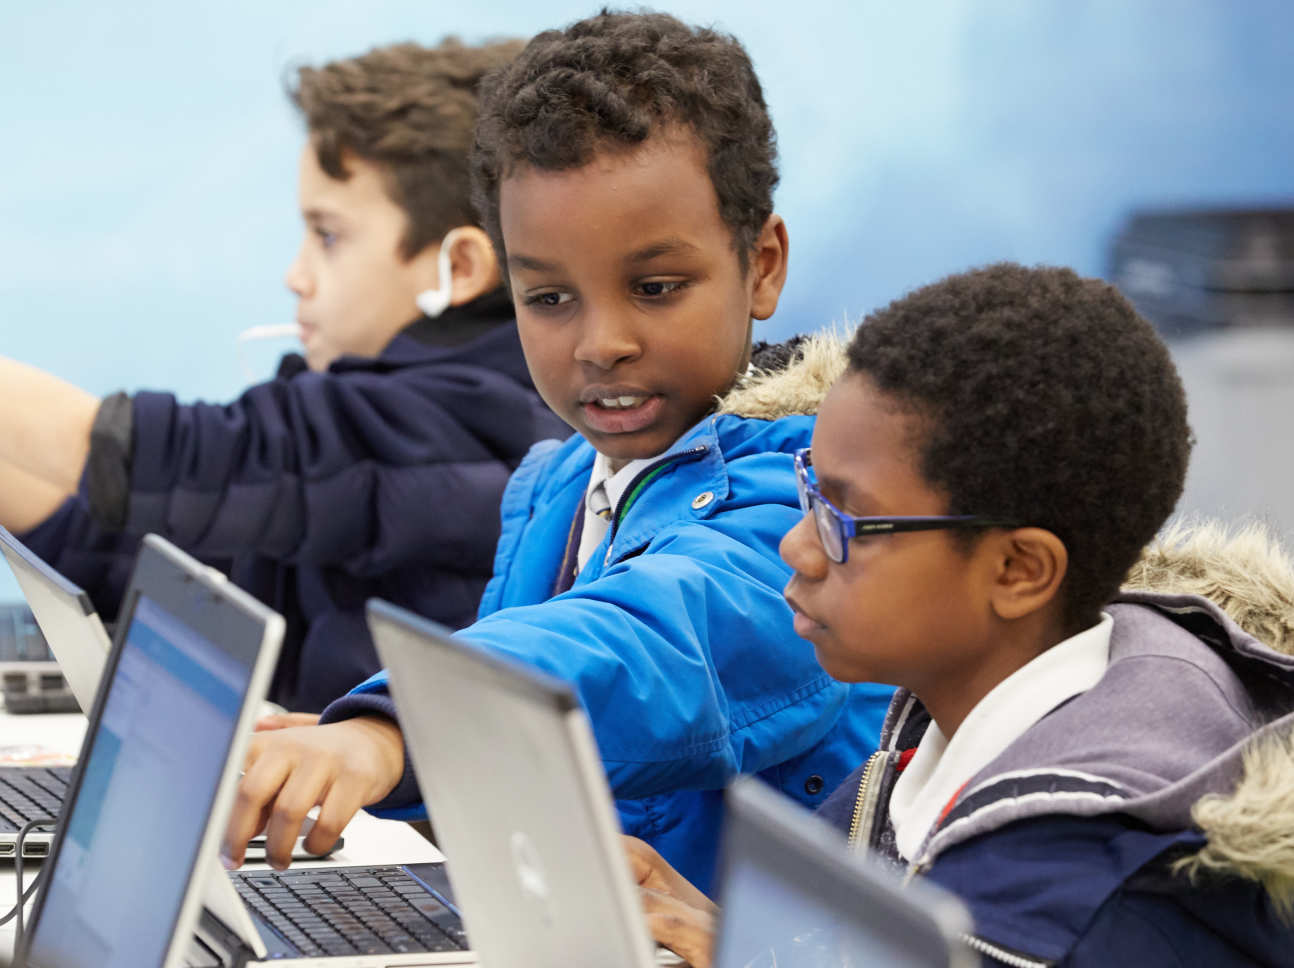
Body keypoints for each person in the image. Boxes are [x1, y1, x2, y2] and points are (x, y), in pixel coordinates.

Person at [221, 10, 894, 893]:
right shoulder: (560, 486)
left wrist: (406, 725)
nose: (601, 342)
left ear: (762, 264)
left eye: (655, 287)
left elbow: (653, 647)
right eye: (548, 298)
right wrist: (356, 752)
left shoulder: (816, 503)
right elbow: (550, 768)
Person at [626, 263, 1294, 966]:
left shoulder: (1097, 913)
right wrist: (727, 937)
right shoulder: (927, 750)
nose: (798, 545)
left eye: (845, 517)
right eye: (808, 492)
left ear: (1018, 571)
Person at [0, 39, 568, 711]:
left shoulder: (476, 425)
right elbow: (165, 568)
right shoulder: (368, 428)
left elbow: (203, 462)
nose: (295, 276)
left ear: (461, 268)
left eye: (327, 236)